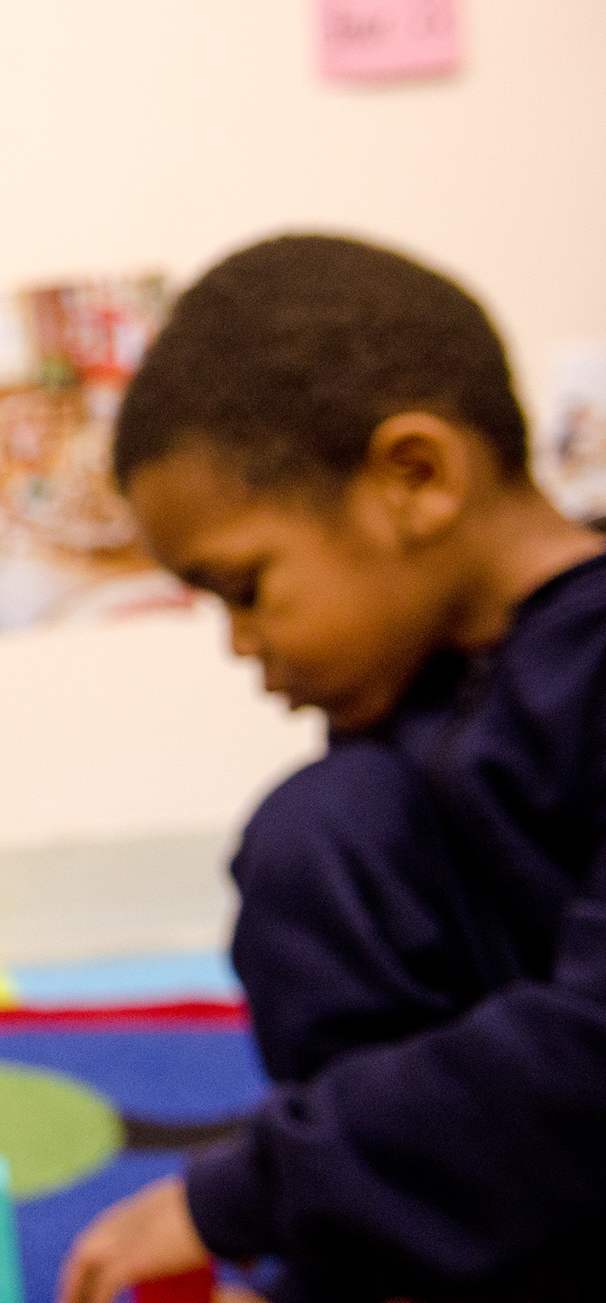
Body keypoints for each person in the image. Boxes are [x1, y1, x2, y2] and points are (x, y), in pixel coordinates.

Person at [57, 234, 606, 1303]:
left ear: (415, 477)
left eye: (245, 587)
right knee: (320, 824)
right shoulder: (408, 726)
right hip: (506, 1206)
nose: (240, 644)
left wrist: (237, 1195)